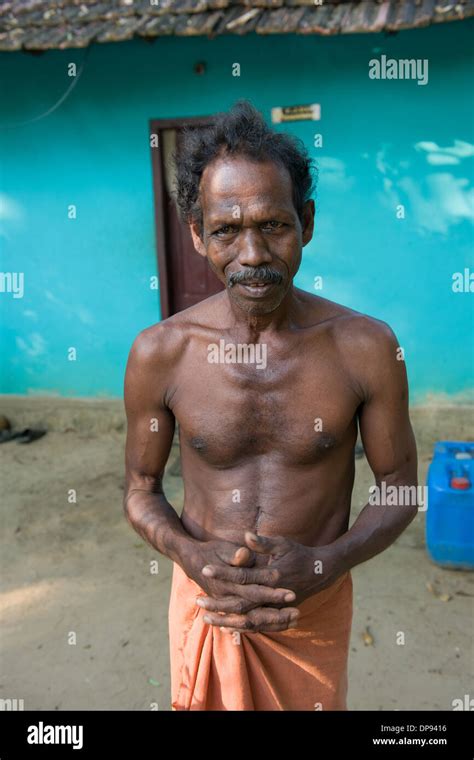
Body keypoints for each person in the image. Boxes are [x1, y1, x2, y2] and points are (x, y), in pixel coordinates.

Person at [123, 100, 418, 710]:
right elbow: (140, 488)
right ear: (198, 233)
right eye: (227, 231)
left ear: (305, 221)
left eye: (273, 225)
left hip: (308, 612)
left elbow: (399, 487)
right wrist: (190, 553)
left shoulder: (366, 348)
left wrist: (327, 563)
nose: (252, 255)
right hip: (207, 605)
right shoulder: (161, 353)